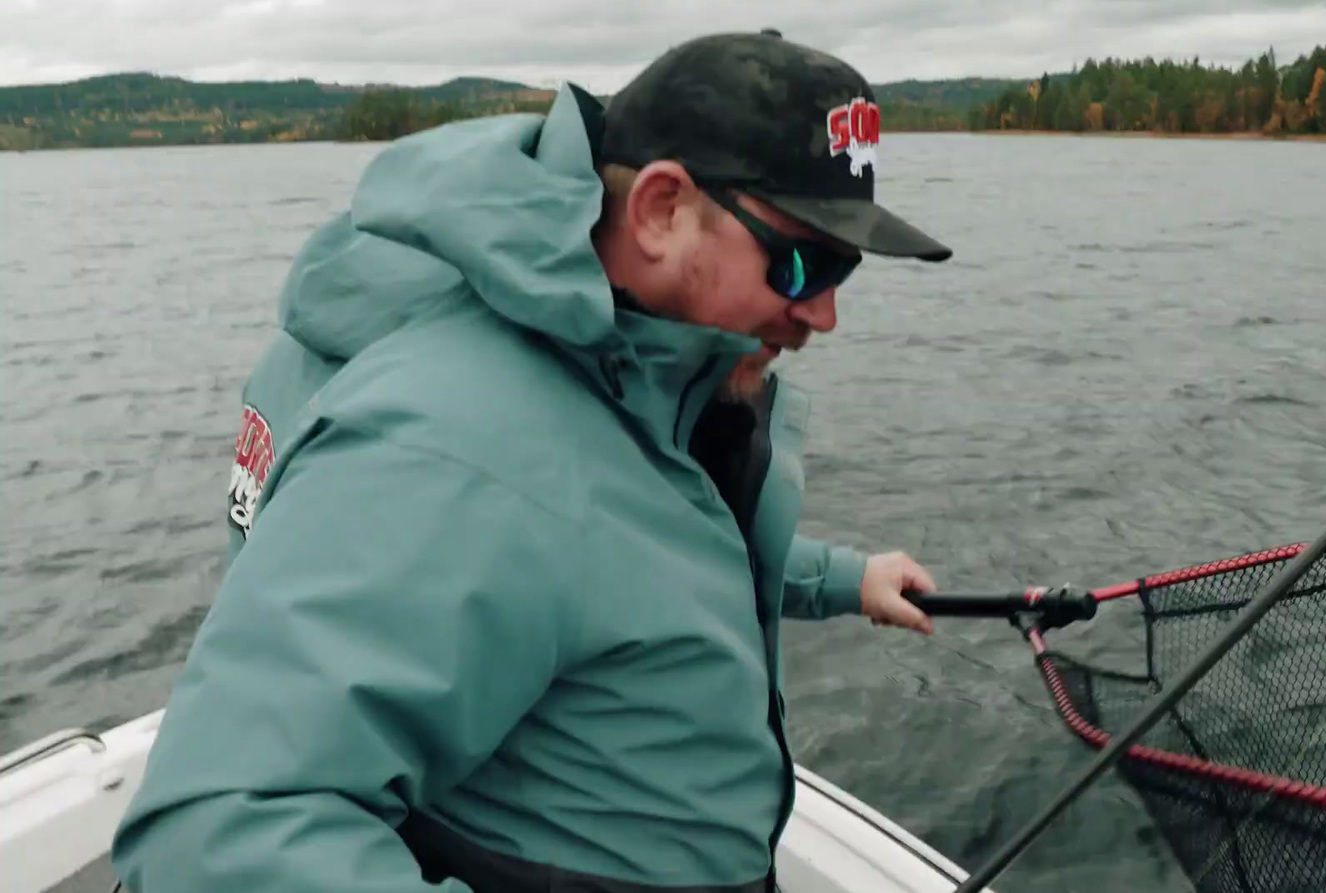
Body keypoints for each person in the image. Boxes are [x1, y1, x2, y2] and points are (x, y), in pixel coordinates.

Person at [110, 29, 953, 893]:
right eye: (803, 261)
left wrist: (845, 578)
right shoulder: (453, 444)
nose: (823, 314)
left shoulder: (631, 371)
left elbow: (625, 547)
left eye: (844, 269)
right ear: (661, 209)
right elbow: (213, 832)